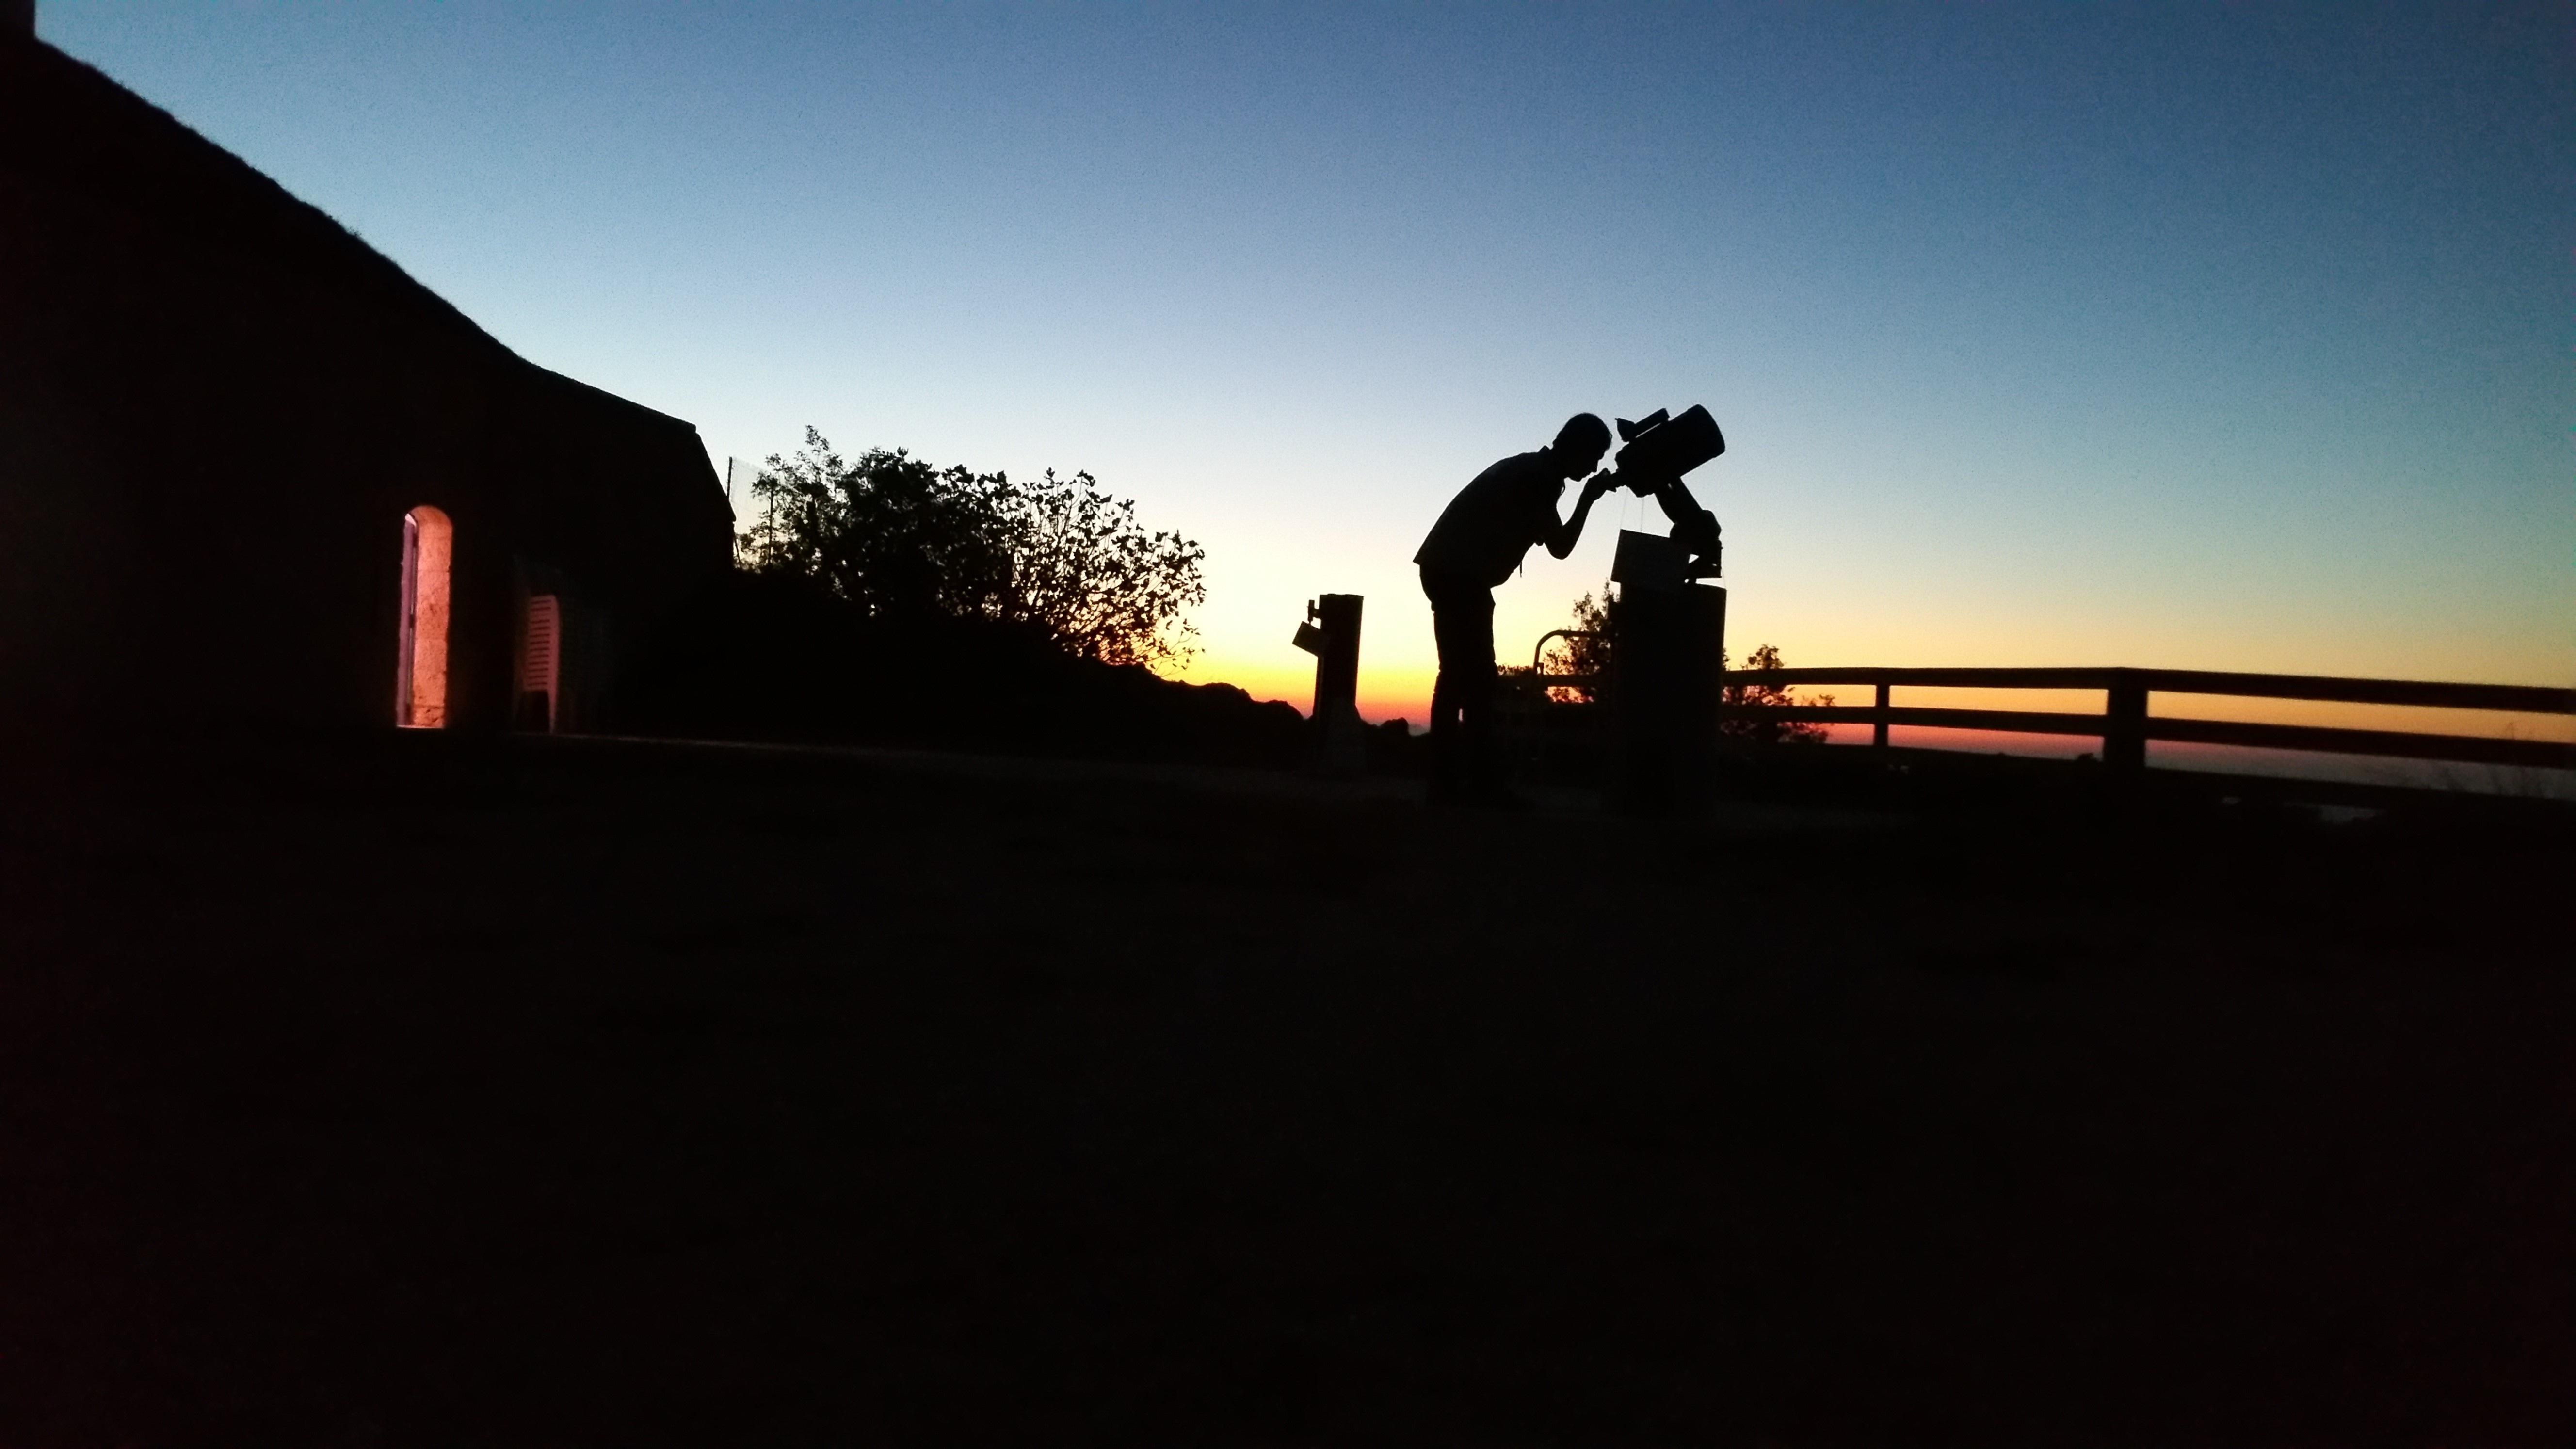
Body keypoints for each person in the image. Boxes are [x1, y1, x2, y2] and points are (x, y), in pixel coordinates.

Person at [1414, 413, 1614, 805]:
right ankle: (1473, 786)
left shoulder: (1532, 468)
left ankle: (1453, 783)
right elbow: (1560, 547)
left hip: (1450, 569)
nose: (1593, 467)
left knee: (1462, 678)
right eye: (1592, 457)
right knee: (1471, 680)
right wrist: (1588, 499)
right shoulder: (1540, 478)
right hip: (1459, 573)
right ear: (1577, 448)